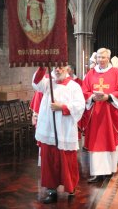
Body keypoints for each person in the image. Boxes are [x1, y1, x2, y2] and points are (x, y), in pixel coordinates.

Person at [32, 65, 85, 204]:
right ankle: (51, 190)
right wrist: (42, 67)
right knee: (49, 161)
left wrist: (62, 107)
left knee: (67, 161)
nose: (58, 70)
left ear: (67, 69)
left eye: (61, 67)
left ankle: (71, 187)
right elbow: (36, 83)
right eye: (55, 67)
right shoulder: (48, 83)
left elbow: (80, 106)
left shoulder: (74, 86)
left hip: (65, 129)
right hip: (48, 129)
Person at [81, 47, 118, 183]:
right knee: (96, 141)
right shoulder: (90, 74)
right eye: (99, 58)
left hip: (110, 114)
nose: (101, 60)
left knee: (109, 139)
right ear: (95, 59)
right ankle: (97, 172)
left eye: (103, 57)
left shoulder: (116, 73)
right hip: (95, 114)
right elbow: (84, 91)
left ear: (108, 58)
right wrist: (92, 97)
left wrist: (108, 97)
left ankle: (109, 170)